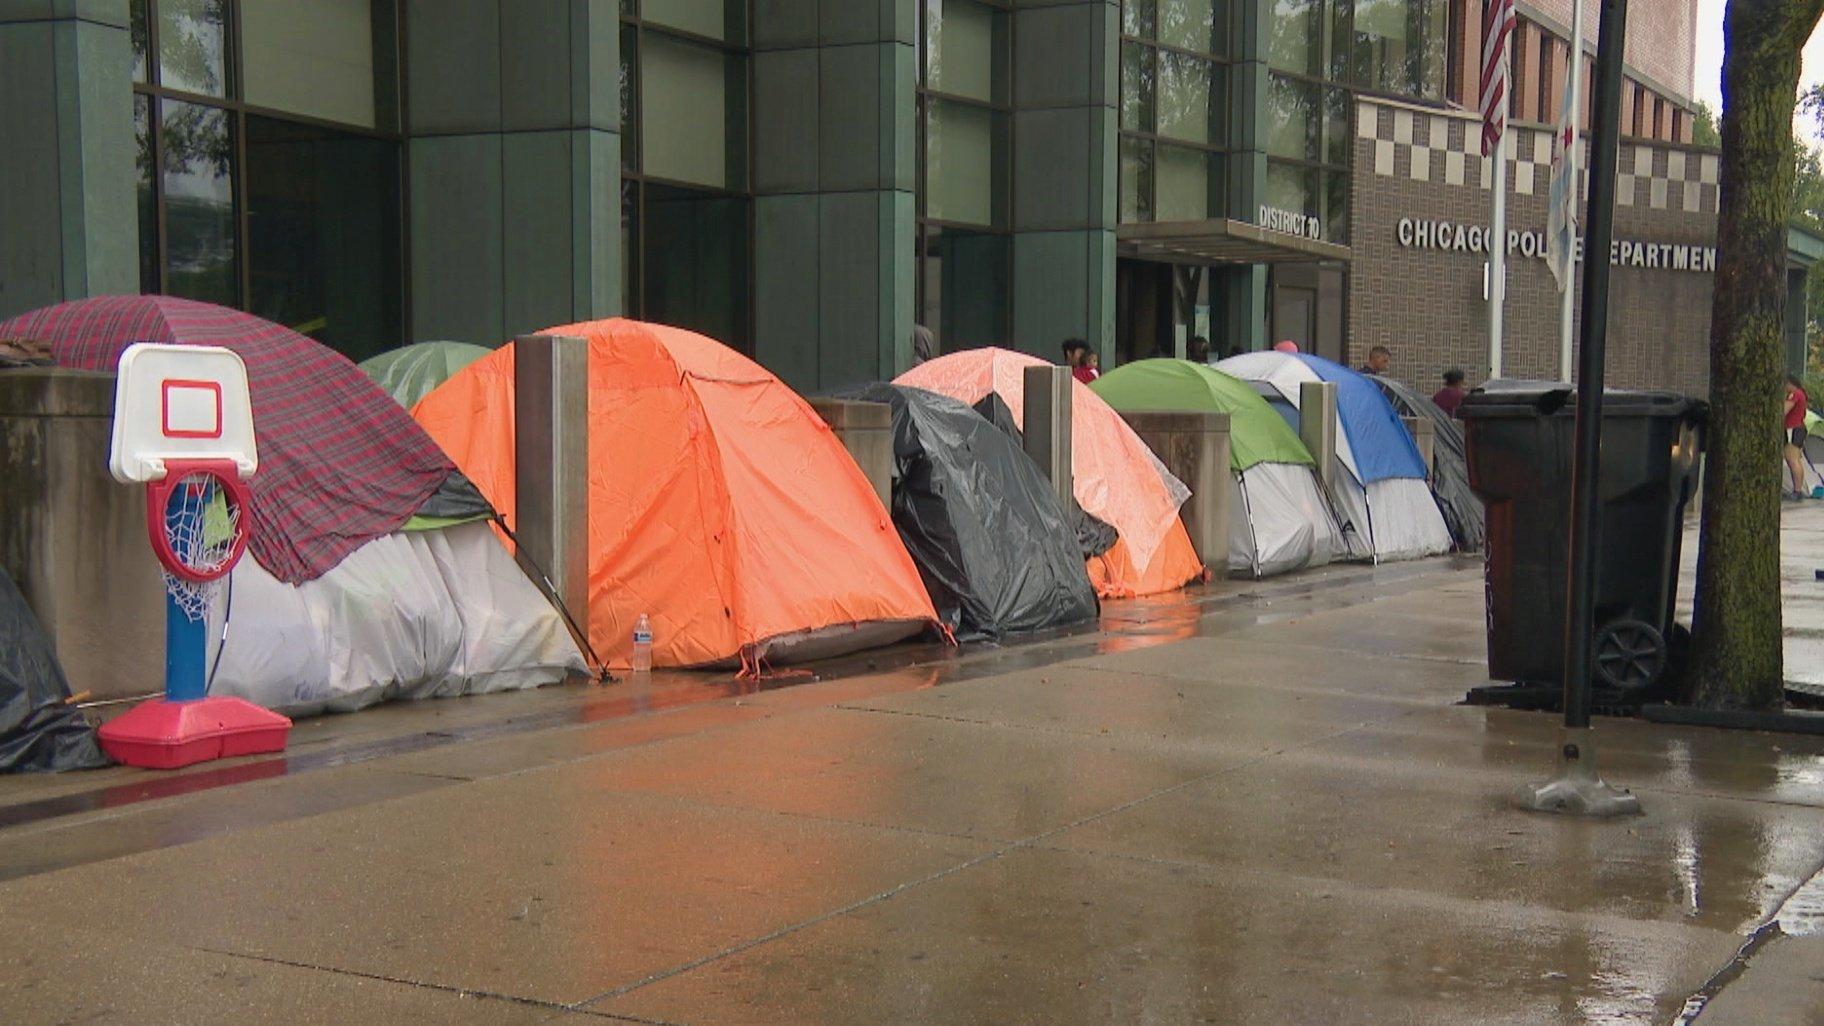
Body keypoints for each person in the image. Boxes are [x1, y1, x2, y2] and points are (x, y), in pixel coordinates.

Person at [1785, 376, 1811, 500]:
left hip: (1793, 429)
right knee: (1796, 460)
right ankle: (1797, 489)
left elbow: (1784, 410)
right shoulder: (1802, 394)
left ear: (1790, 384)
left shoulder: (1795, 394)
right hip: (1800, 428)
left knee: (1792, 460)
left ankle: (1797, 490)